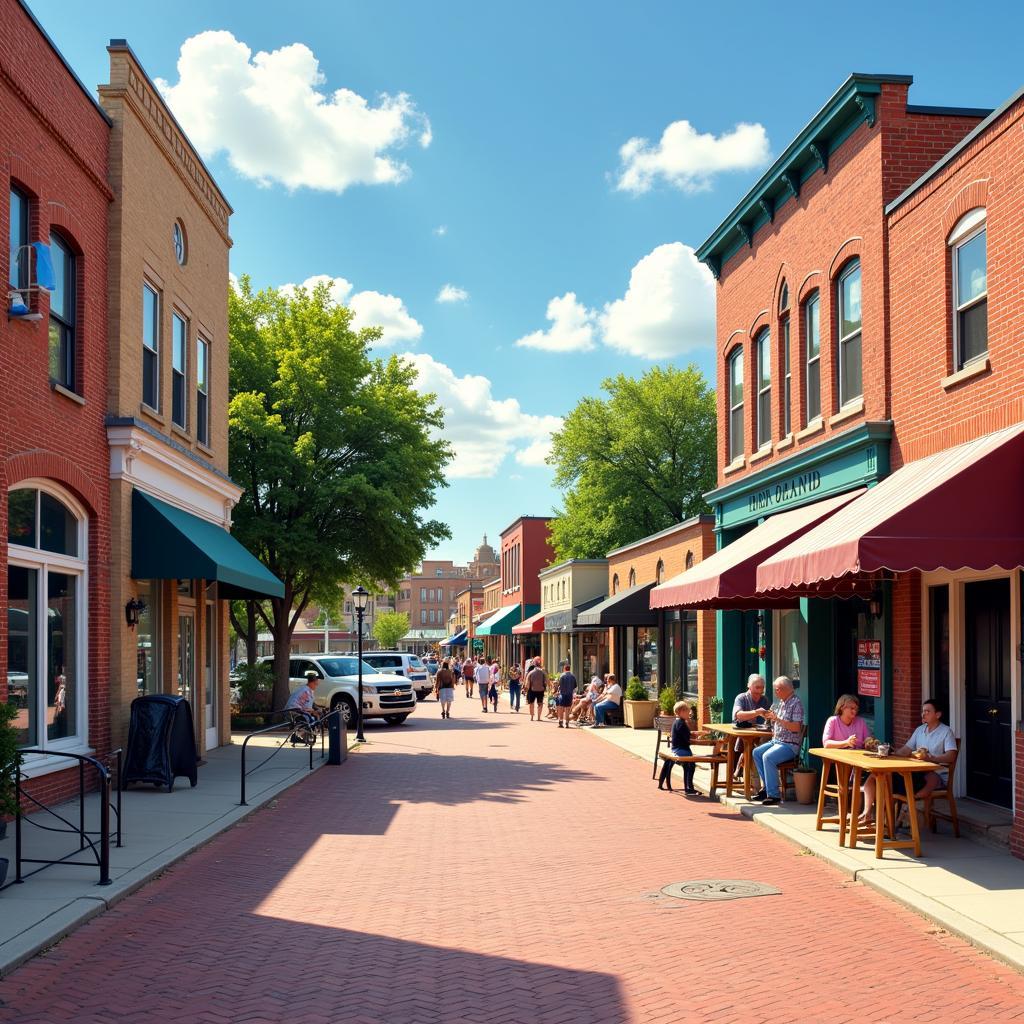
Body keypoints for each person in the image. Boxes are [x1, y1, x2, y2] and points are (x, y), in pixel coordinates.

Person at [888, 698, 958, 826]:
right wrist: (890, 752)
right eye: (922, 711)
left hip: (937, 773)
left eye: (927, 711)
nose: (923, 714)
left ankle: (908, 808)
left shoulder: (946, 732)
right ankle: (891, 820)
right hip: (917, 772)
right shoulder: (920, 730)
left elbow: (951, 756)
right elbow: (906, 750)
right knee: (893, 777)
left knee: (928, 778)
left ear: (937, 714)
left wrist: (931, 758)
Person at [752, 675, 804, 806]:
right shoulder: (781, 703)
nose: (775, 692)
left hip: (789, 745)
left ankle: (774, 795)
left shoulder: (796, 703)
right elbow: (776, 721)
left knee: (768, 757)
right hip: (777, 741)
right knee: (757, 752)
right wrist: (770, 718)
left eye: (777, 689)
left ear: (785, 689)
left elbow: (796, 727)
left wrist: (778, 719)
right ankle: (766, 790)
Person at [822, 693, 873, 823]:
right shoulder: (833, 721)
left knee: (867, 776)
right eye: (851, 708)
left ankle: (860, 814)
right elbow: (826, 743)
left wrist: (869, 741)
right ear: (842, 707)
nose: (854, 711)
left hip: (858, 761)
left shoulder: (860, 722)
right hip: (838, 763)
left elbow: (867, 738)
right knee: (853, 778)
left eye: (856, 708)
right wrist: (846, 743)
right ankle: (850, 814)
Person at [731, 673, 772, 779]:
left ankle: (740, 772)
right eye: (757, 687)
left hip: (759, 734)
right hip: (742, 733)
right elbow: (738, 715)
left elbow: (769, 717)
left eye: (762, 687)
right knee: (750, 745)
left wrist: (769, 716)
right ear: (749, 686)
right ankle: (746, 776)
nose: (760, 690)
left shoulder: (765, 700)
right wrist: (756, 712)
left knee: (758, 746)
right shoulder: (741, 698)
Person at [657, 700, 697, 795]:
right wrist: (698, 740)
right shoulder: (682, 723)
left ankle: (661, 783)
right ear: (681, 712)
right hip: (681, 750)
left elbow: (685, 734)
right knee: (691, 764)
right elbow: (687, 739)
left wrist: (695, 733)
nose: (689, 713)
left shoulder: (677, 722)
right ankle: (688, 787)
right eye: (687, 711)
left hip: (675, 748)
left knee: (689, 761)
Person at [555, 661, 577, 729]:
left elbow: (559, 685)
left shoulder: (562, 676)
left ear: (564, 668)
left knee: (561, 708)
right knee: (567, 709)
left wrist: (557, 691)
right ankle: (567, 722)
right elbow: (575, 686)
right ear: (569, 669)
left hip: (563, 694)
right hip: (569, 694)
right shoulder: (573, 676)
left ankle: (561, 721)